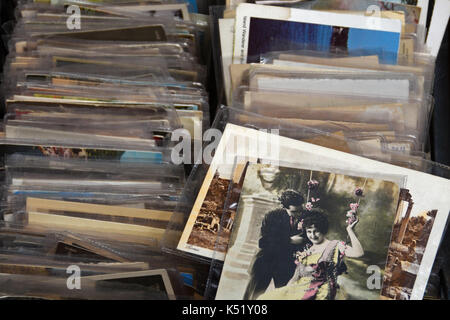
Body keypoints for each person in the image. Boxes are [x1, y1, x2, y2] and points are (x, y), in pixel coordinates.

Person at [257, 210, 364, 300]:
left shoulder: (335, 245)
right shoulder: (306, 250)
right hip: (300, 288)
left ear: (323, 230)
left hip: (322, 291)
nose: (312, 235)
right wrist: (285, 292)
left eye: (316, 231)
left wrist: (349, 230)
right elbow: (295, 278)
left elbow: (359, 253)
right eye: (309, 231)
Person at [243, 190, 308, 300]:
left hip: (286, 266)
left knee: (281, 297)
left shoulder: (305, 218)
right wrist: (290, 241)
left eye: (299, 211)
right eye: (294, 212)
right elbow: (263, 241)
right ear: (284, 207)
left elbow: (307, 239)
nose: (298, 214)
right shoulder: (272, 216)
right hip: (265, 262)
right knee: (253, 296)